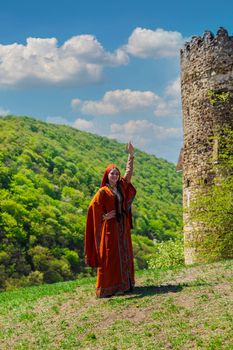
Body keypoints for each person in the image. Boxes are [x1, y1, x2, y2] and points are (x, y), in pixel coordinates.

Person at [85, 142, 136, 298]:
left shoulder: (120, 186)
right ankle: (109, 287)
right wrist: (103, 217)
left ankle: (124, 285)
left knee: (124, 254)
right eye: (112, 173)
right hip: (110, 229)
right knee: (110, 256)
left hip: (122, 227)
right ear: (107, 176)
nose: (115, 176)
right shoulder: (102, 192)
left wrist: (131, 156)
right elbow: (92, 208)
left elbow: (129, 173)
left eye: (116, 173)